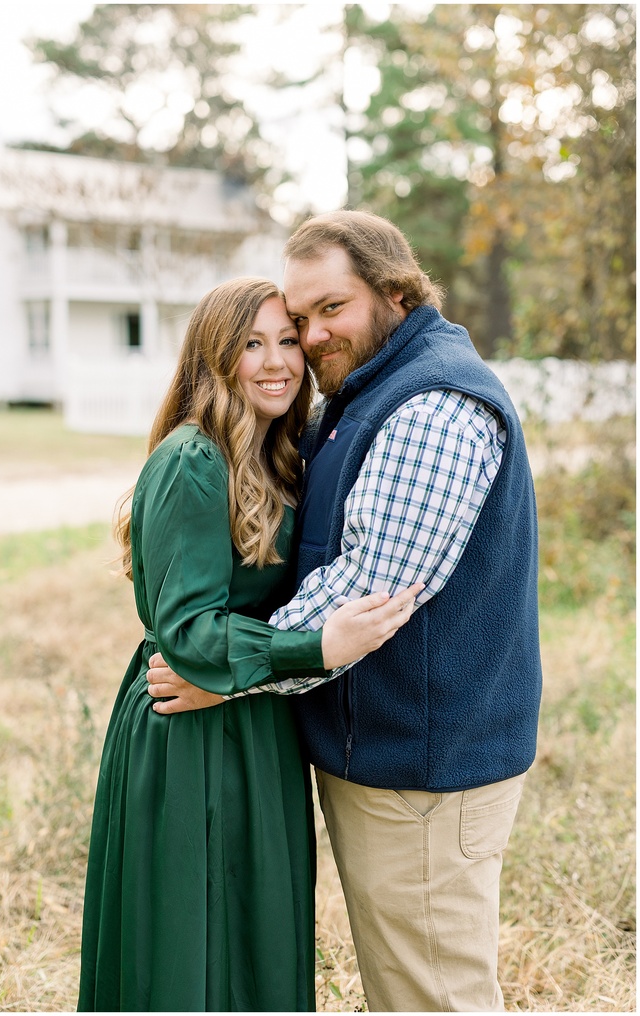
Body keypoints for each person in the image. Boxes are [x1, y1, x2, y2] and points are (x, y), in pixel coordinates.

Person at [149, 211, 543, 1012]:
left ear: (396, 294)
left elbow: (369, 589)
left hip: (424, 772)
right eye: (299, 319)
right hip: (385, 757)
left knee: (432, 993)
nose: (312, 336)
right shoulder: (363, 393)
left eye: (333, 308)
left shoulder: (433, 407)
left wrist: (230, 676)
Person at [77, 275, 421, 1013]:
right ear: (215, 360)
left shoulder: (278, 455)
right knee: (186, 951)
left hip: (257, 724)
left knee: (256, 941)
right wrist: (315, 647)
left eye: (287, 342)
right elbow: (192, 632)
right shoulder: (192, 462)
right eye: (251, 346)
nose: (276, 363)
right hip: (189, 729)